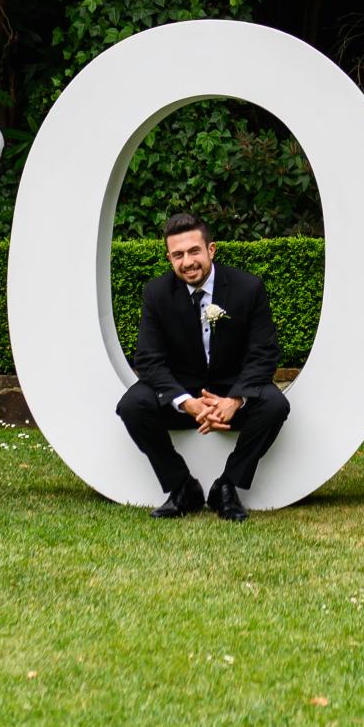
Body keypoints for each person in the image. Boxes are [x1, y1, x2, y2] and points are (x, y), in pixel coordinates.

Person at [116, 213, 289, 521]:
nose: (187, 262)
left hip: (231, 391)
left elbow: (264, 353)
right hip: (183, 392)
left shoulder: (248, 289)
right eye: (178, 255)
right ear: (169, 258)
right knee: (132, 404)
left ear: (211, 250)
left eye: (194, 251)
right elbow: (148, 358)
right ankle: (182, 487)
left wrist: (234, 400)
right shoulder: (156, 293)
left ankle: (227, 486)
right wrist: (186, 403)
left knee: (275, 405)